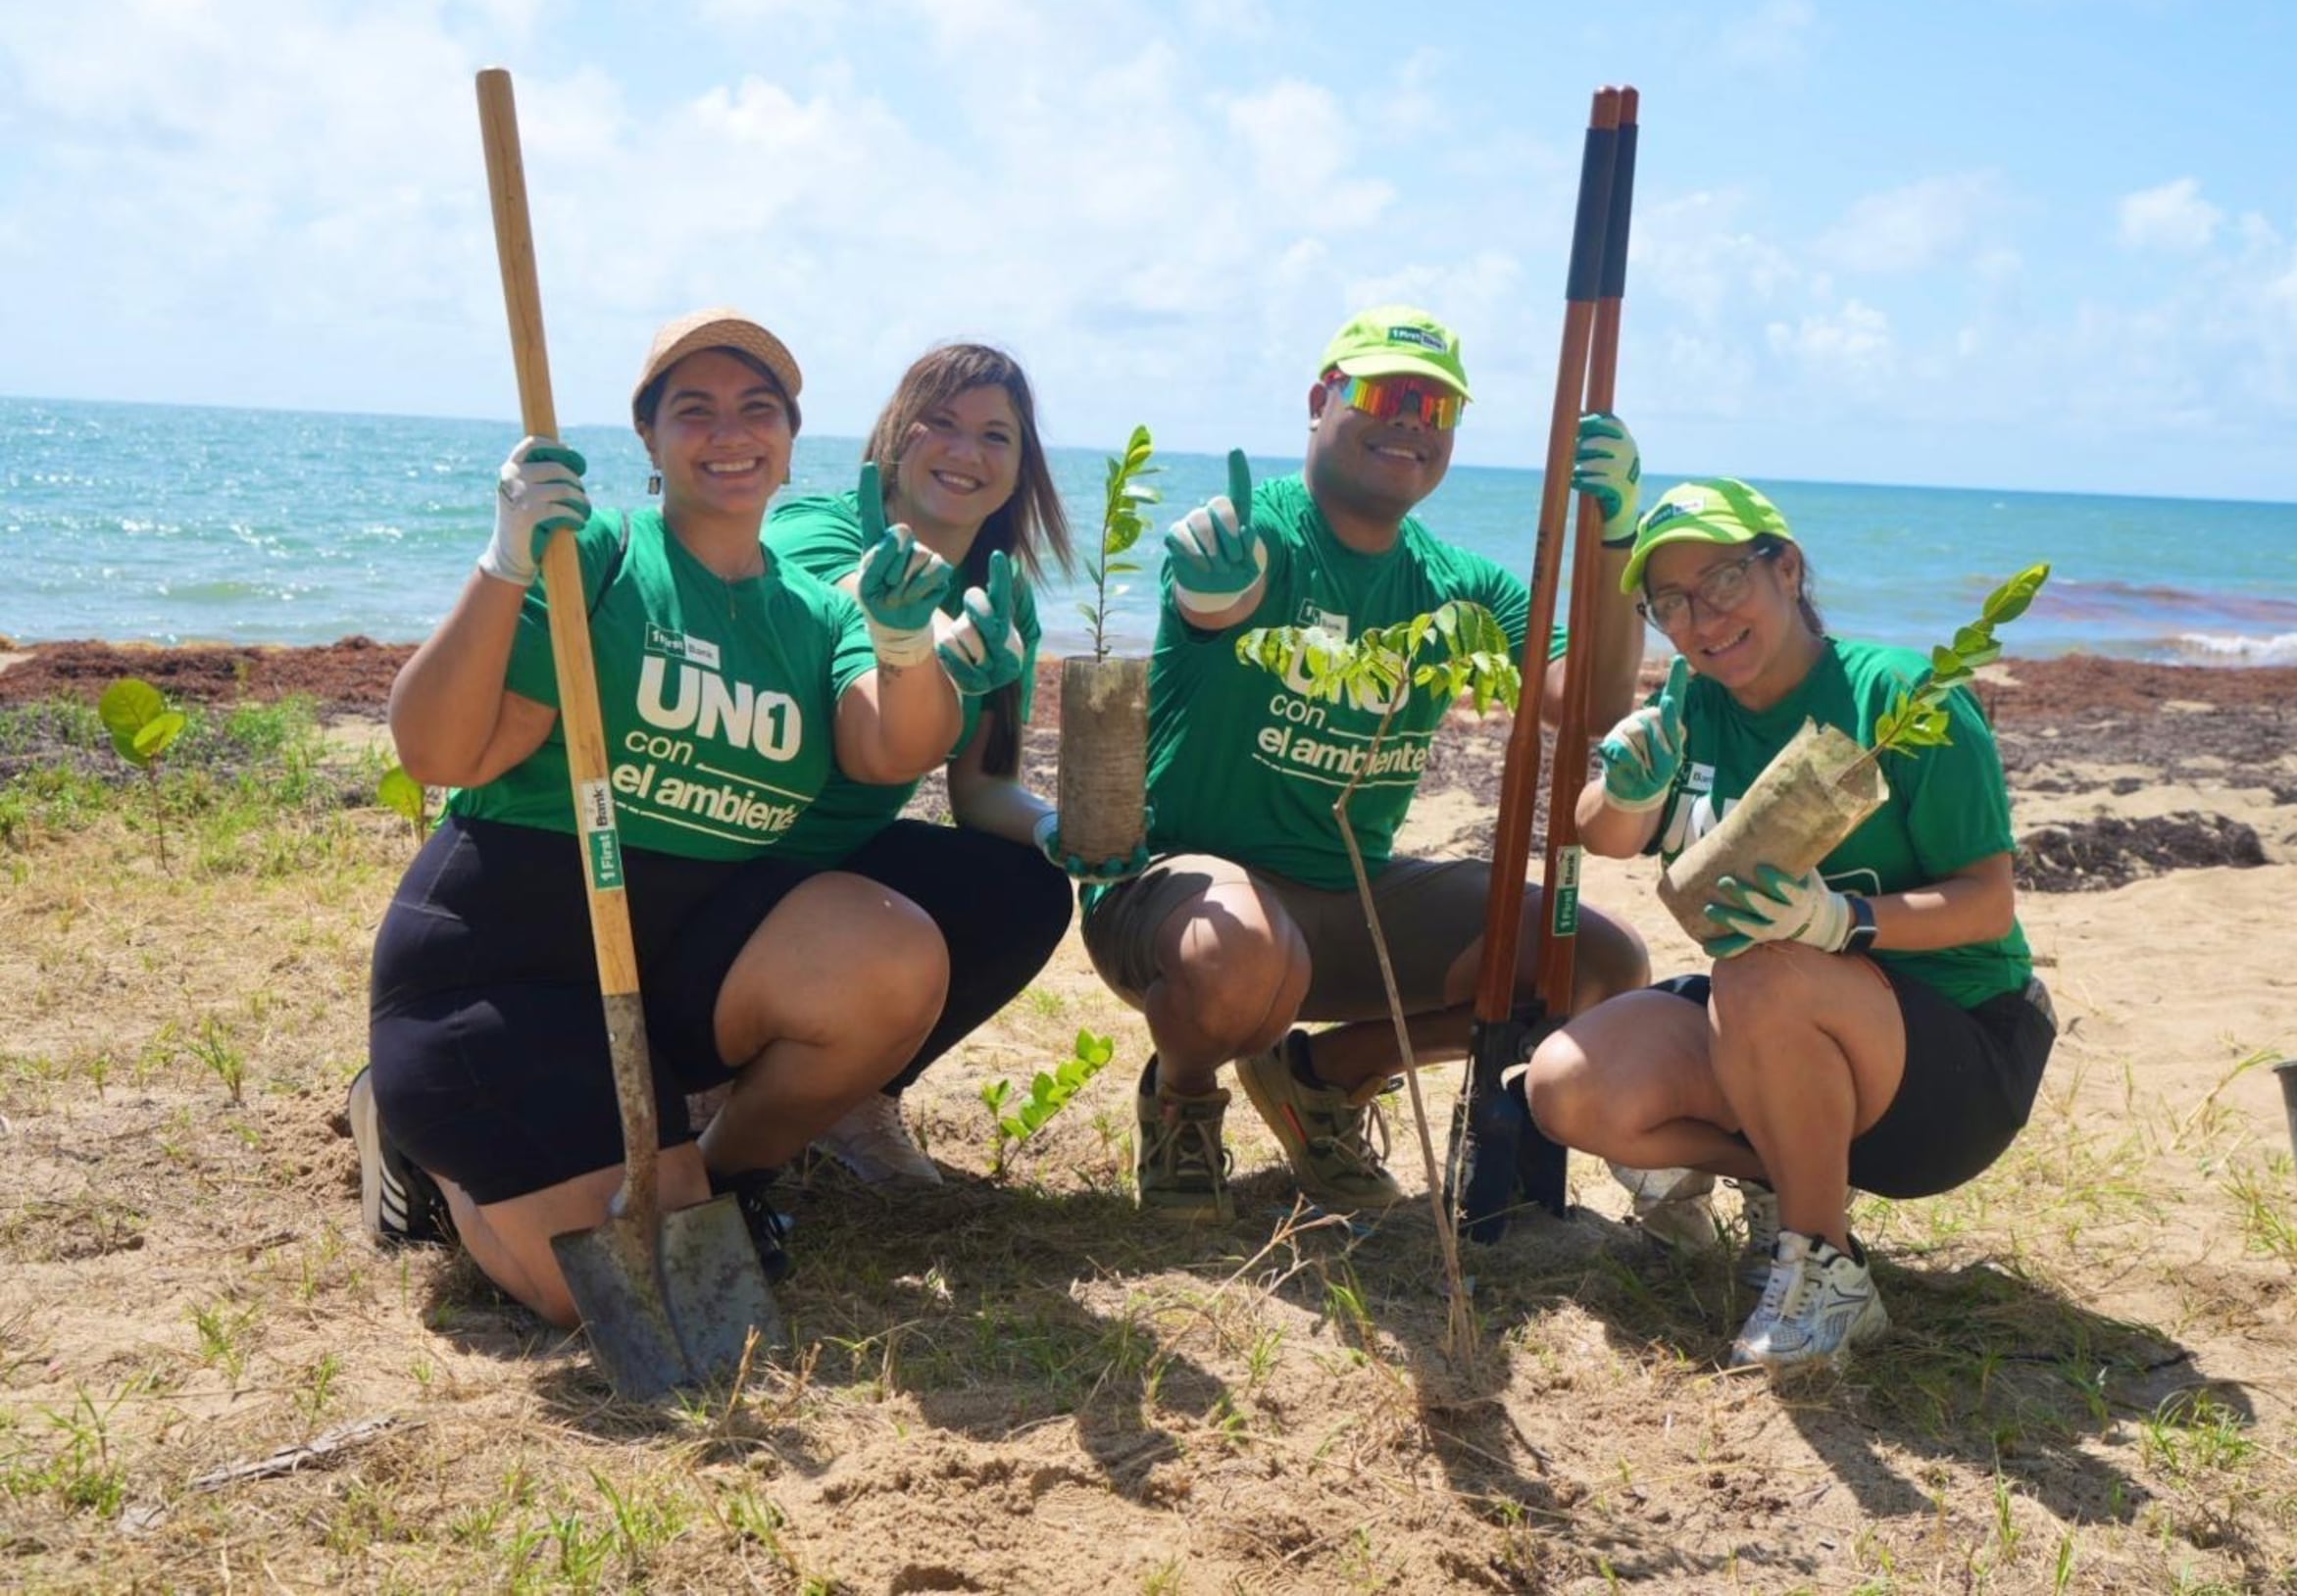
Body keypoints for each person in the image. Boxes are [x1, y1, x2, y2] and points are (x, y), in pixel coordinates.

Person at [351, 309, 963, 1324]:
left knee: (890, 953)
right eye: (695, 410)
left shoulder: (815, 615)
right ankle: (426, 1154)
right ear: (649, 438)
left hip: (657, 984)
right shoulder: (594, 555)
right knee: (627, 1303)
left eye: (756, 409)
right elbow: (440, 754)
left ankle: (699, 1172)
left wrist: (903, 643)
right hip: (501, 969)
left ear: (789, 438)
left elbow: (895, 746)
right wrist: (504, 566)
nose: (730, 432)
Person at [1078, 304, 1653, 1221]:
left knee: (1598, 961)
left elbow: (1589, 704)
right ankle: (1184, 1099)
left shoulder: (1462, 586)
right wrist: (1214, 592)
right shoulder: (1255, 532)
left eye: (1437, 409)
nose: (1411, 422)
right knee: (1243, 953)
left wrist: (1619, 539)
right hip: (1175, 904)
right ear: (1321, 400)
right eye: (1387, 393)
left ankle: (1322, 1077)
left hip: (1348, 903)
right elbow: (1220, 595)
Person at [1522, 476, 2057, 1373]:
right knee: (1564, 1087)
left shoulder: (1902, 698)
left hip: (1955, 1060)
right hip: (1774, 1025)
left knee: (1762, 966)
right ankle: (1788, 1173)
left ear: (1787, 568)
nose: (1701, 619)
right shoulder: (1694, 698)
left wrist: (1842, 921)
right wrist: (1625, 788)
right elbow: (1605, 834)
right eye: (1671, 603)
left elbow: (1988, 900)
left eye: (1724, 581)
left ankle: (1824, 1269)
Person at [760, 343, 1123, 1187]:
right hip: (739, 847)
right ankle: (723, 1092)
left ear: (1021, 465)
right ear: (896, 433)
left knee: (1023, 887)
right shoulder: (815, 527)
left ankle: (856, 1095)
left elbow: (984, 786)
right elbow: (804, 610)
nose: (966, 453)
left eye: (996, 435)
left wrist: (1057, 830)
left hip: (841, 856)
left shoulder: (1002, 595)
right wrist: (901, 627)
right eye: (943, 423)